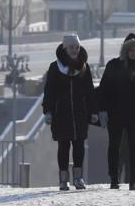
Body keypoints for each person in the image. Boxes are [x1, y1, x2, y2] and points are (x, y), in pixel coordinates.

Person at [98, 33, 135, 191]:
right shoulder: (113, 65)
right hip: (115, 111)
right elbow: (104, 89)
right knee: (114, 145)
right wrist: (102, 110)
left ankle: (134, 179)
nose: (134, 53)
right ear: (125, 50)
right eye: (131, 50)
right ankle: (114, 179)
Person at [42, 34, 99, 191]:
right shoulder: (56, 67)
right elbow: (49, 92)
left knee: (79, 145)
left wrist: (93, 111)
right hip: (62, 114)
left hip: (80, 113)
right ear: (65, 49)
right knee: (63, 146)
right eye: (71, 47)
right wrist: (48, 111)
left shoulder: (83, 67)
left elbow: (89, 91)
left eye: (76, 47)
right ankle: (63, 180)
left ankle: (78, 178)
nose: (74, 50)